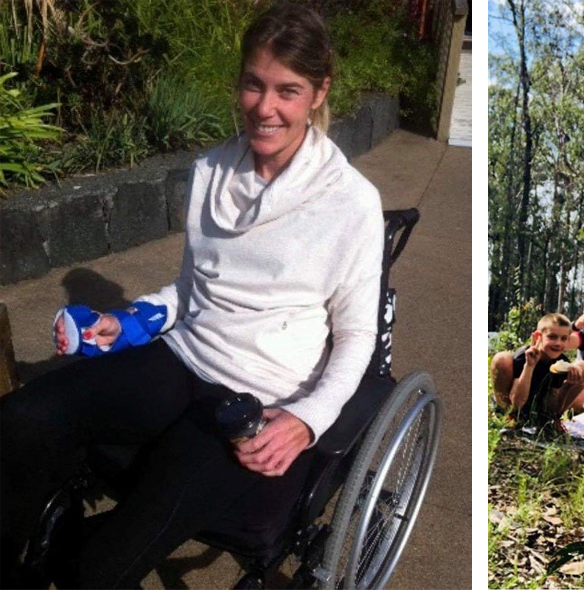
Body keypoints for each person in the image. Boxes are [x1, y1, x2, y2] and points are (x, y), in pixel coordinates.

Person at [0, 4, 383, 586]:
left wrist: (307, 420)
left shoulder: (351, 203)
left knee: (104, 566)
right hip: (182, 356)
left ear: (318, 93)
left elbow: (357, 336)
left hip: (258, 393)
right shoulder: (208, 170)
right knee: (23, 417)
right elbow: (192, 288)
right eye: (254, 84)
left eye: (288, 90)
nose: (266, 107)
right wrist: (129, 321)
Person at [490, 313, 584, 427]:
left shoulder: (562, 363)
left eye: (563, 339)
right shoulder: (523, 357)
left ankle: (552, 421)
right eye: (552, 337)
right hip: (517, 402)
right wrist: (529, 366)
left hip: (539, 406)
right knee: (501, 359)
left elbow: (555, 403)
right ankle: (508, 415)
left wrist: (568, 387)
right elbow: (517, 402)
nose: (558, 343)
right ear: (538, 336)